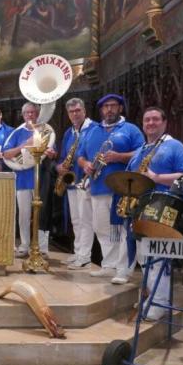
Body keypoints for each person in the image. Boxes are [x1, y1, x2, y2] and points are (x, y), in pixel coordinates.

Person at [116, 107, 183, 318]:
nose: (150, 123)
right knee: (145, 256)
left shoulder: (175, 146)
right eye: (147, 120)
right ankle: (152, 297)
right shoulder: (142, 149)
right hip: (140, 208)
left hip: (163, 208)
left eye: (155, 119)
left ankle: (160, 303)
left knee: (158, 256)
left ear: (165, 123)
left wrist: (157, 178)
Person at [77, 94, 144, 279]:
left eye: (113, 106)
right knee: (101, 228)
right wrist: (85, 165)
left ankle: (123, 269)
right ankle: (109, 264)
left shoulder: (131, 129)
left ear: (120, 108)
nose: (109, 110)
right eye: (105, 106)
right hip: (98, 186)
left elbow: (143, 152)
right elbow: (80, 155)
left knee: (121, 230)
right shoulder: (92, 130)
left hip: (121, 188)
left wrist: (119, 157)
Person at [3, 102, 57, 257]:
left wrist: (52, 153)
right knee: (24, 214)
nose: (30, 115)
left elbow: (53, 153)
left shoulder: (46, 130)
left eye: (33, 112)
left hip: (41, 178)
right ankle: (25, 245)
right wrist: (25, 145)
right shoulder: (17, 133)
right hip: (22, 179)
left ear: (37, 113)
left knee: (42, 212)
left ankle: (42, 247)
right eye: (27, 113)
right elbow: (6, 154)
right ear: (23, 115)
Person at [56, 98, 94, 270]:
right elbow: (64, 157)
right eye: (71, 112)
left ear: (84, 111)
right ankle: (78, 252)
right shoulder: (68, 133)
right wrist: (60, 167)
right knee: (76, 220)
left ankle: (85, 257)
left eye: (78, 110)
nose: (75, 114)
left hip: (86, 182)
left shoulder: (94, 129)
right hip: (72, 181)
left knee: (86, 220)